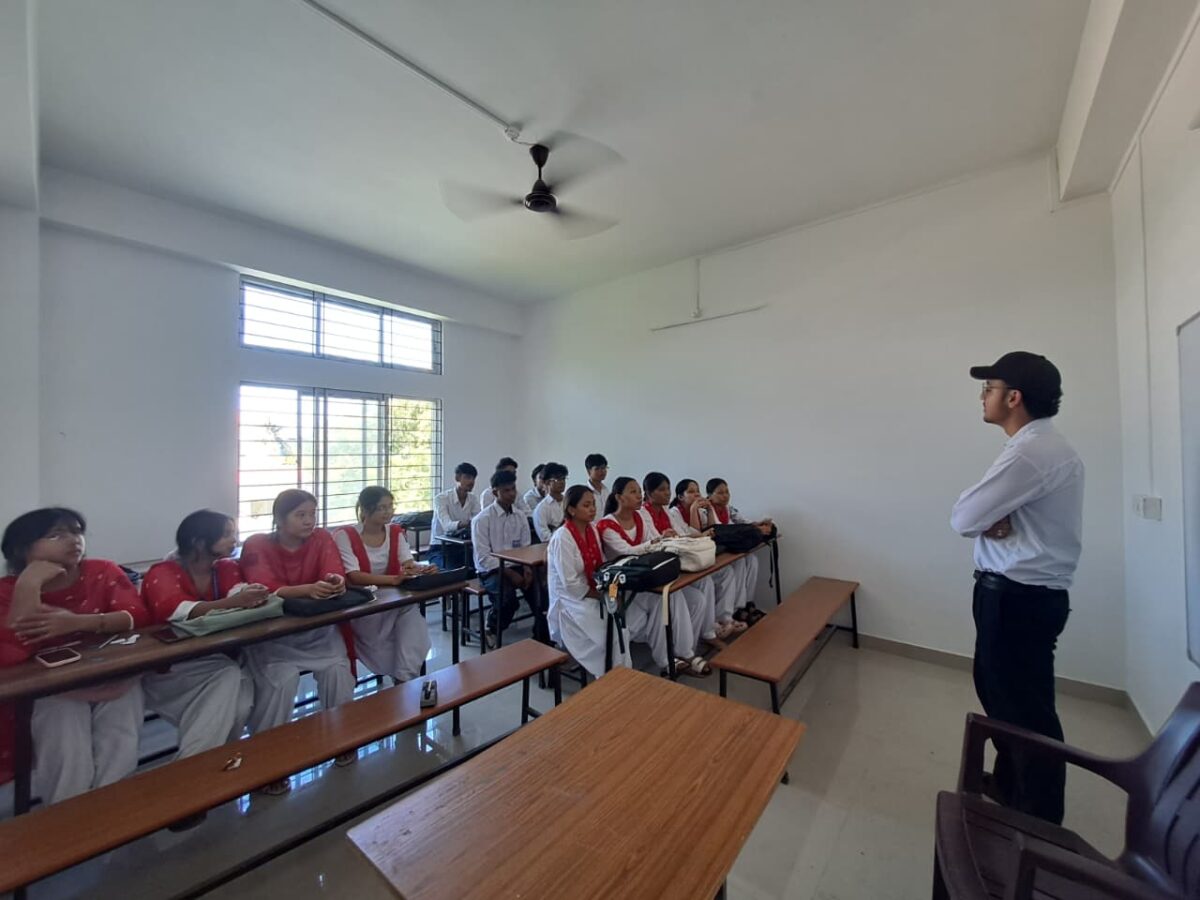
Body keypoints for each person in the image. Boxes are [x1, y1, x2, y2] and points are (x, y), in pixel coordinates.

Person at [950, 351, 1083, 825]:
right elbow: (979, 515)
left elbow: (963, 516)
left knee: (1025, 711)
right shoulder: (1037, 445)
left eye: (988, 388)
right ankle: (1011, 789)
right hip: (1021, 595)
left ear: (1014, 397)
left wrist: (986, 519)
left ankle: (1038, 822)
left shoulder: (1031, 451)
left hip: (1018, 597)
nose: (982, 397)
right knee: (1006, 700)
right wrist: (992, 518)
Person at [0, 508, 148, 805]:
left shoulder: (102, 571)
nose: (73, 540)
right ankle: (69, 819)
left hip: (111, 675)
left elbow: (137, 616)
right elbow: (11, 653)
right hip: (49, 690)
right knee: (66, 741)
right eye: (56, 535)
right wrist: (29, 584)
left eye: (77, 532)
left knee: (121, 736)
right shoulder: (7, 591)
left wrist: (77, 622)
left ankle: (108, 815)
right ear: (21, 549)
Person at [239, 489, 356, 791]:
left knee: (338, 671)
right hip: (273, 634)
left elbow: (334, 570)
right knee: (282, 681)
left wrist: (335, 581)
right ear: (279, 519)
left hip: (316, 629)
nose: (309, 521)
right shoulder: (257, 543)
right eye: (300, 515)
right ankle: (267, 759)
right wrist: (306, 590)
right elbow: (262, 586)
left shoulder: (321, 538)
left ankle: (342, 737)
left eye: (312, 514)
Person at [141, 510, 257, 762]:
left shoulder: (225, 567)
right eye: (226, 535)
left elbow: (239, 596)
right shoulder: (162, 571)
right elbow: (174, 609)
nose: (234, 540)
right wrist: (235, 602)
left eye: (234, 534)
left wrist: (251, 595)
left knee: (240, 706)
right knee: (229, 677)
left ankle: (211, 766)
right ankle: (196, 770)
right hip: (171, 666)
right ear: (199, 542)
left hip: (216, 656)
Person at [598, 477, 711, 677]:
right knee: (667, 598)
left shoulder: (639, 517)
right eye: (633, 491)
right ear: (619, 497)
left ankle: (682, 653)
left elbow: (654, 540)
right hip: (622, 585)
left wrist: (663, 538)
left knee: (683, 597)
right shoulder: (606, 525)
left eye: (639, 491)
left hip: (645, 577)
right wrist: (656, 541)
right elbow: (627, 552)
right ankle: (671, 658)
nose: (639, 495)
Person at [335, 486, 434, 683]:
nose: (388, 512)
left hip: (392, 598)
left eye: (390, 506)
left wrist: (422, 569)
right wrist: (393, 580)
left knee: (411, 617)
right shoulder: (345, 535)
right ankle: (402, 674)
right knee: (404, 621)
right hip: (362, 602)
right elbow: (354, 576)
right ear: (365, 509)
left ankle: (404, 676)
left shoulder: (395, 531)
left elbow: (407, 563)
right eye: (382, 508)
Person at [642, 472, 738, 643]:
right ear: (649, 493)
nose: (667, 492)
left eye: (668, 488)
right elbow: (656, 541)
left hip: (679, 558)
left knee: (723, 573)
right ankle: (692, 642)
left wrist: (701, 522)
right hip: (663, 566)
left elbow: (686, 533)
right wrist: (693, 532)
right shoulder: (650, 513)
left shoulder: (667, 511)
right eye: (662, 489)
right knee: (693, 595)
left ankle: (714, 626)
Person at [546, 485, 620, 678]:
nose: (593, 509)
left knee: (619, 623)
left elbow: (601, 565)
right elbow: (570, 584)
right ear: (571, 510)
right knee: (606, 630)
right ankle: (608, 676)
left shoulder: (592, 530)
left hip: (592, 589)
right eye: (586, 505)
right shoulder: (562, 537)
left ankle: (621, 673)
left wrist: (610, 592)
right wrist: (599, 595)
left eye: (593, 504)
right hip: (570, 599)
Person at [671, 478, 749, 635]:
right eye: (691, 492)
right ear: (680, 497)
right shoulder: (674, 513)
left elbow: (716, 530)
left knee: (730, 569)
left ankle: (726, 617)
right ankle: (709, 627)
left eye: (697, 491)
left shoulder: (703, 510)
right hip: (686, 561)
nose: (696, 494)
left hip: (703, 556)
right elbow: (690, 539)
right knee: (708, 580)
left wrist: (710, 510)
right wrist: (694, 512)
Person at [471, 469, 534, 647]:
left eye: (513, 489)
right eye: (506, 490)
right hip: (491, 569)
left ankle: (542, 634)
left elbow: (526, 547)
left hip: (518, 565)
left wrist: (527, 569)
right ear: (495, 492)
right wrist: (510, 573)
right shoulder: (482, 520)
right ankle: (491, 628)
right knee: (508, 599)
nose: (512, 494)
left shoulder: (520, 516)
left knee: (540, 592)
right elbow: (483, 557)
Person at [698, 478, 772, 625]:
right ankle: (735, 610)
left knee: (751, 560)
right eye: (720, 493)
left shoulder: (728, 508)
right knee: (737, 564)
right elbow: (717, 529)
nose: (725, 496)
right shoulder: (704, 510)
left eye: (727, 492)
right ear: (709, 495)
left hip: (730, 546)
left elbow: (743, 522)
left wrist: (759, 525)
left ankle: (746, 603)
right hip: (716, 550)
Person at [429, 462, 480, 569]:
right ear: (457, 478)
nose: (471, 482)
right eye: (467, 477)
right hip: (440, 548)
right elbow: (447, 526)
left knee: (480, 566)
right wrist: (467, 523)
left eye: (473, 478)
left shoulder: (473, 499)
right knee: (453, 572)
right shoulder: (441, 498)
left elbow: (478, 522)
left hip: (462, 547)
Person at [533, 462, 569, 542]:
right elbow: (545, 537)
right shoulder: (541, 509)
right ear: (546, 482)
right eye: (557, 479)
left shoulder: (569, 502)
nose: (562, 482)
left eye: (563, 478)